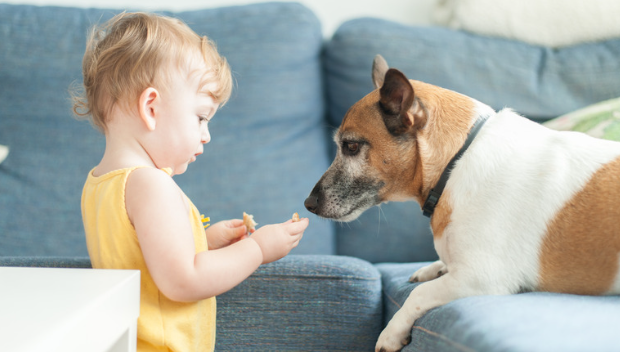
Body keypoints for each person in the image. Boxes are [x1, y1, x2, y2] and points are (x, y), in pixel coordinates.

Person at [73, 12, 308, 352]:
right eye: (200, 117)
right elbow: (184, 280)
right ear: (151, 107)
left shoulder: (98, 184)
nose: (206, 135)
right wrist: (257, 249)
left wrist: (203, 242)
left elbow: (144, 262)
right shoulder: (152, 185)